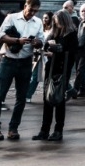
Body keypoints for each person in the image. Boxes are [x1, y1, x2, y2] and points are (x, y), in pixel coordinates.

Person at [0, 0, 45, 141]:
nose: (32, 13)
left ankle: (13, 128)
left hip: (26, 62)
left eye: (35, 11)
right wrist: (17, 40)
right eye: (31, 10)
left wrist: (36, 42)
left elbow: (41, 41)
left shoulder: (38, 22)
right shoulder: (12, 18)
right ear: (25, 6)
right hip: (8, 60)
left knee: (21, 97)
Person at [33, 9, 78, 142]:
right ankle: (44, 130)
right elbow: (46, 46)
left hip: (62, 69)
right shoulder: (54, 33)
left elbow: (71, 52)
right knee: (47, 99)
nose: (57, 24)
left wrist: (57, 49)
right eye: (55, 22)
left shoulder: (71, 34)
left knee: (59, 100)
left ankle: (58, 130)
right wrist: (47, 48)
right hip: (50, 68)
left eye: (58, 22)